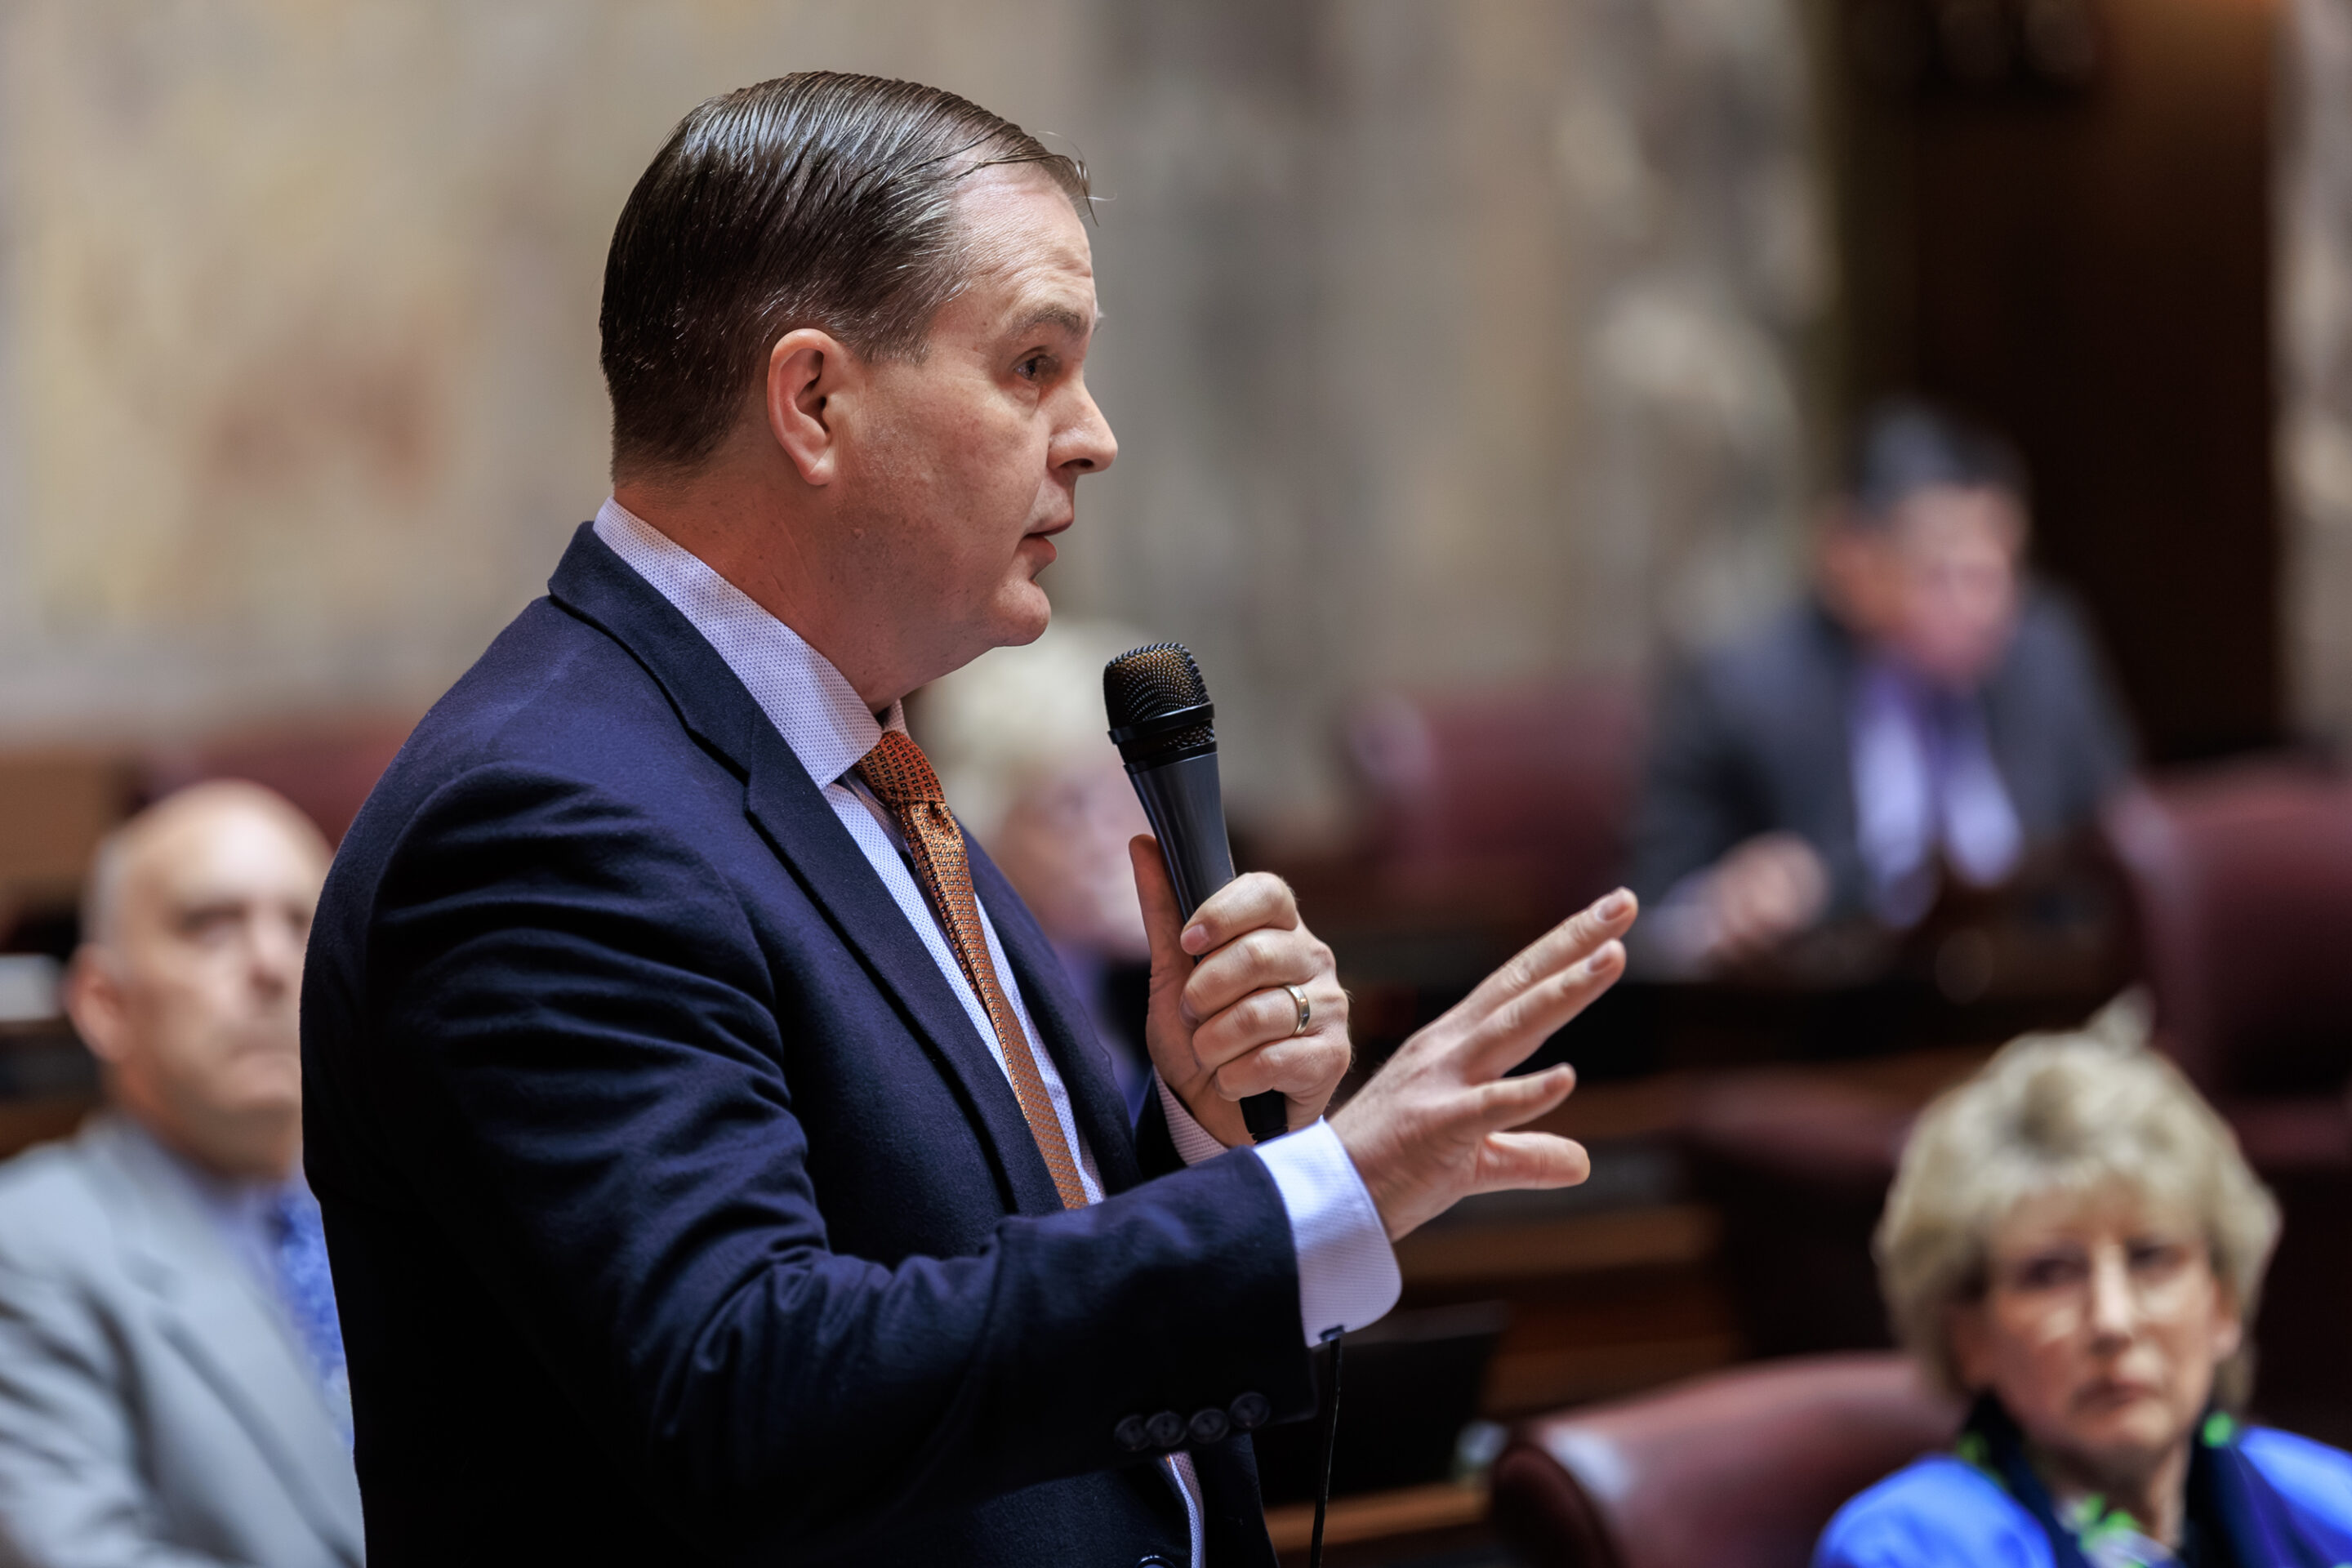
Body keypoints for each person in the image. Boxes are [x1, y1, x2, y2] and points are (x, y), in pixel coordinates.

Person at [301, 72, 1636, 1566]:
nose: (1095, 436)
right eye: (1033, 363)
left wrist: (1203, 1137)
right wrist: (1300, 1210)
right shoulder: (547, 822)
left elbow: (977, 1261)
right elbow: (751, 1388)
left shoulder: (852, 750)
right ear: (815, 402)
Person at [1816, 1002, 2352, 1566]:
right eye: (2051, 1274)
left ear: (2222, 1303)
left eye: (2151, 1259)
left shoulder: (2329, 1506)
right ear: (1969, 1337)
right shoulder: (1907, 1549)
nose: (2112, 1320)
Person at [1630, 401, 2133, 971]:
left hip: (2027, 992)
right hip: (1841, 1011)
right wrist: (1723, 906)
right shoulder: (1737, 689)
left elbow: (2119, 850)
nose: (1988, 607)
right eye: (1947, 573)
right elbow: (1649, 925)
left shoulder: (2045, 654)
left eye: (2004, 568)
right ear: (1848, 556)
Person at [0, 782, 363, 1568]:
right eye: (211, 925)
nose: (272, 965)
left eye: (303, 923)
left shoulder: (420, 1211)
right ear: (104, 1002)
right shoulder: (26, 1245)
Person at [914, 618, 1160, 1117]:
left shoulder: (1139, 977)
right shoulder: (957, 1001)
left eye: (1129, 793)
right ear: (979, 824)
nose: (1114, 835)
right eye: (1071, 805)